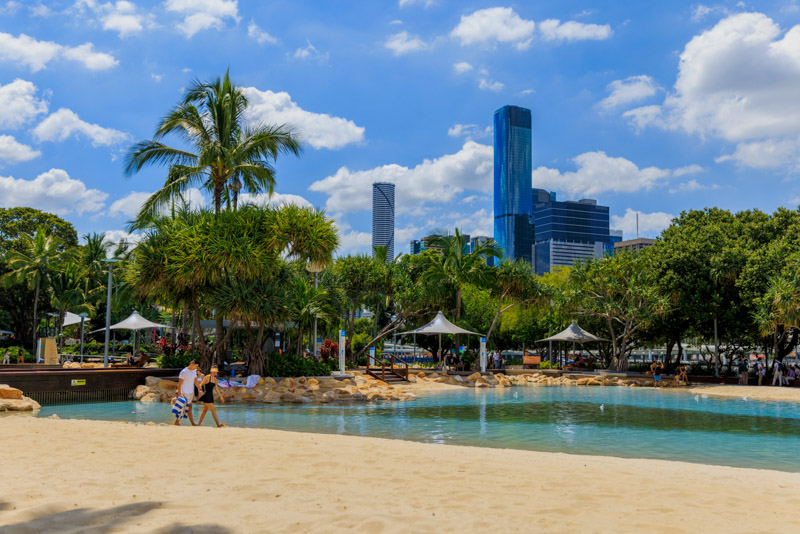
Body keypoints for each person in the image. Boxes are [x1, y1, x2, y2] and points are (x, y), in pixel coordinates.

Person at [174, 359, 200, 426]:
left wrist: (199, 388)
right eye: (195, 366)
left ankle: (178, 422)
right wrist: (179, 394)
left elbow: (195, 381)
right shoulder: (184, 372)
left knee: (188, 407)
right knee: (185, 407)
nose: (196, 368)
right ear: (191, 364)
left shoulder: (194, 371)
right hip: (184, 392)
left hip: (191, 391)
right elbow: (180, 384)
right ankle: (190, 423)